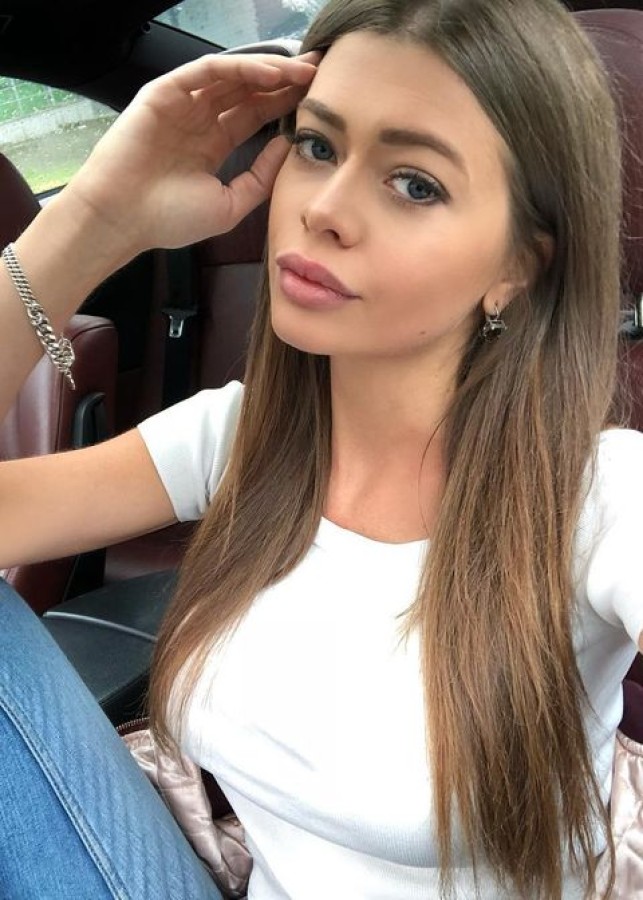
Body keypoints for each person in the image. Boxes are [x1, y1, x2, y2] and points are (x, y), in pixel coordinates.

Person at [0, 0, 639, 897]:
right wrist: (95, 220)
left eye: (415, 184)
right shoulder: (237, 439)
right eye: (316, 146)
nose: (325, 210)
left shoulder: (600, 497)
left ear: (516, 267)